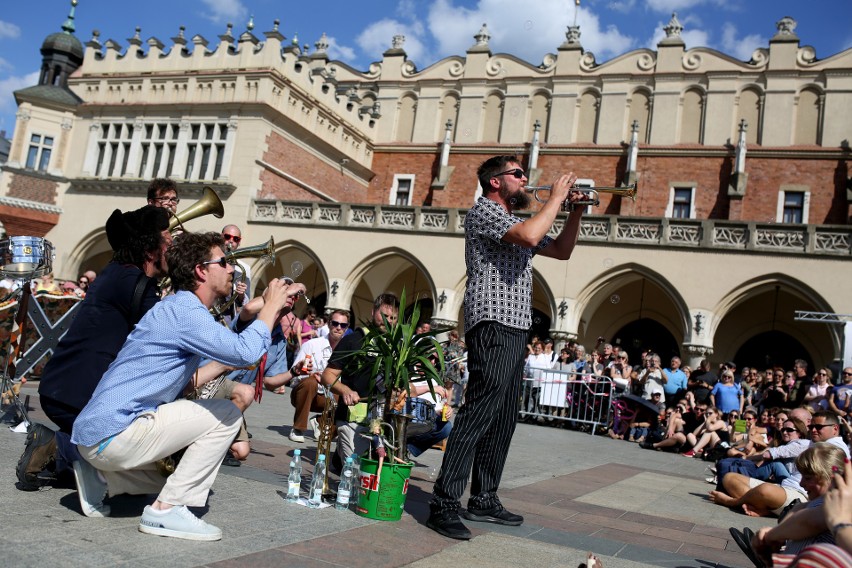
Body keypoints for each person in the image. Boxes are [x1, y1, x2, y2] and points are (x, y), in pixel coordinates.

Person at [70, 232, 304, 540]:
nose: (232, 269)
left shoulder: (177, 308)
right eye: (224, 262)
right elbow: (246, 351)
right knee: (227, 415)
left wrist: (261, 315)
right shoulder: (186, 312)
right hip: (114, 432)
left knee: (168, 478)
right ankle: (167, 510)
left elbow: (188, 380)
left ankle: (102, 478)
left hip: (96, 437)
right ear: (201, 270)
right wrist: (271, 307)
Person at [426, 155, 585, 540]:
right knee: (479, 411)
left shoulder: (518, 221)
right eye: (518, 174)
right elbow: (532, 237)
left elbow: (560, 250)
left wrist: (575, 213)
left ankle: (483, 497)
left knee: (502, 418)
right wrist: (557, 198)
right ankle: (444, 503)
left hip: (515, 326)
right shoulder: (484, 212)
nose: (526, 179)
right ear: (495, 182)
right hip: (492, 322)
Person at [18, 205, 171, 493]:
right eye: (167, 236)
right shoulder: (134, 283)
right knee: (131, 450)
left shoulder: (117, 273)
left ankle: (64, 460)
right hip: (78, 397)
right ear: (150, 249)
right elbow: (166, 334)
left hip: (63, 388)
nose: (172, 242)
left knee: (109, 467)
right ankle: (59, 447)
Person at [710, 411, 850, 517]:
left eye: (818, 427)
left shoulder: (836, 449)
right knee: (729, 478)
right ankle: (765, 507)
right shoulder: (815, 442)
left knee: (765, 489)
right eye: (812, 426)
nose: (813, 430)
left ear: (835, 429)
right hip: (785, 486)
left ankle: (732, 501)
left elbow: (832, 486)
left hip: (802, 494)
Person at [263, 309, 350, 443]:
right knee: (311, 382)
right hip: (305, 394)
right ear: (328, 324)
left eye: (343, 325)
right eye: (335, 323)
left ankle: (320, 421)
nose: (338, 327)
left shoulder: (348, 351)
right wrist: (310, 375)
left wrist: (328, 380)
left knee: (346, 390)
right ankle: (298, 428)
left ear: (346, 328)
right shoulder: (312, 345)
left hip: (330, 397)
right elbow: (294, 379)